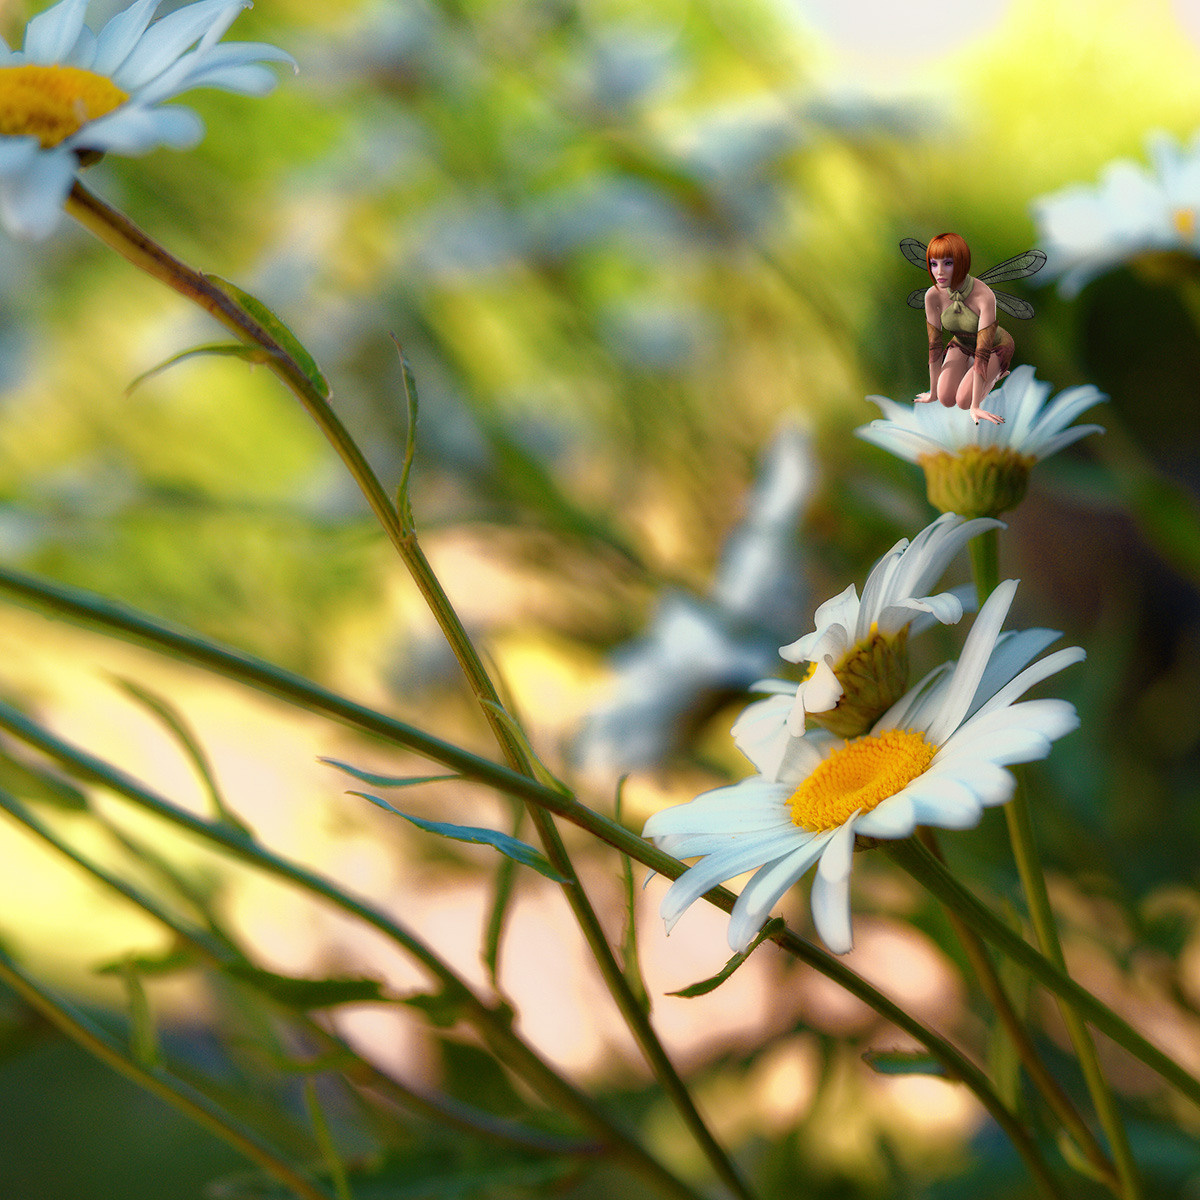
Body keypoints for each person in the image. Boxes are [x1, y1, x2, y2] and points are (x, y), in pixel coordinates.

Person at [916, 232, 1014, 425]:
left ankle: (997, 373)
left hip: (993, 346)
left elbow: (982, 351)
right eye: (934, 264)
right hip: (960, 343)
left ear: (961, 262)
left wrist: (976, 405)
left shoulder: (984, 296)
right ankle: (966, 375)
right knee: (945, 398)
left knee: (963, 401)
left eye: (948, 263)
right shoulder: (932, 296)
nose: (939, 272)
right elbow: (934, 347)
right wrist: (933, 392)